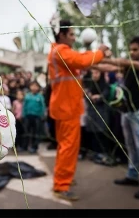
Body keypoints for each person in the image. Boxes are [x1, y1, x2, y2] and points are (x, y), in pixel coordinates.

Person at [47, 19, 109, 201]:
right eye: (72, 34)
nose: (75, 38)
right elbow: (82, 61)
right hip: (67, 108)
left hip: (66, 107)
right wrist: (101, 52)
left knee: (65, 147)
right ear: (62, 35)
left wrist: (98, 55)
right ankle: (61, 185)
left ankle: (62, 180)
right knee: (68, 147)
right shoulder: (60, 51)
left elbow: (81, 61)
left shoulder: (60, 52)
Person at [96, 36, 139, 199]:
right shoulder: (130, 67)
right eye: (130, 49)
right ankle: (132, 175)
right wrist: (90, 63)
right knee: (131, 146)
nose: (132, 53)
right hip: (127, 111)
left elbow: (124, 63)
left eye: (135, 49)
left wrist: (108, 56)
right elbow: (109, 68)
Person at [22, 81, 46, 154]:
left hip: (37, 117)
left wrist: (42, 115)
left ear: (38, 88)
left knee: (36, 132)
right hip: (28, 116)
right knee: (27, 132)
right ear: (30, 87)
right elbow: (24, 106)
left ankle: (34, 147)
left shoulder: (40, 96)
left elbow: (43, 106)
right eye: (33, 86)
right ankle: (25, 146)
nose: (34, 88)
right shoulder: (27, 96)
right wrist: (23, 114)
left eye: (36, 86)